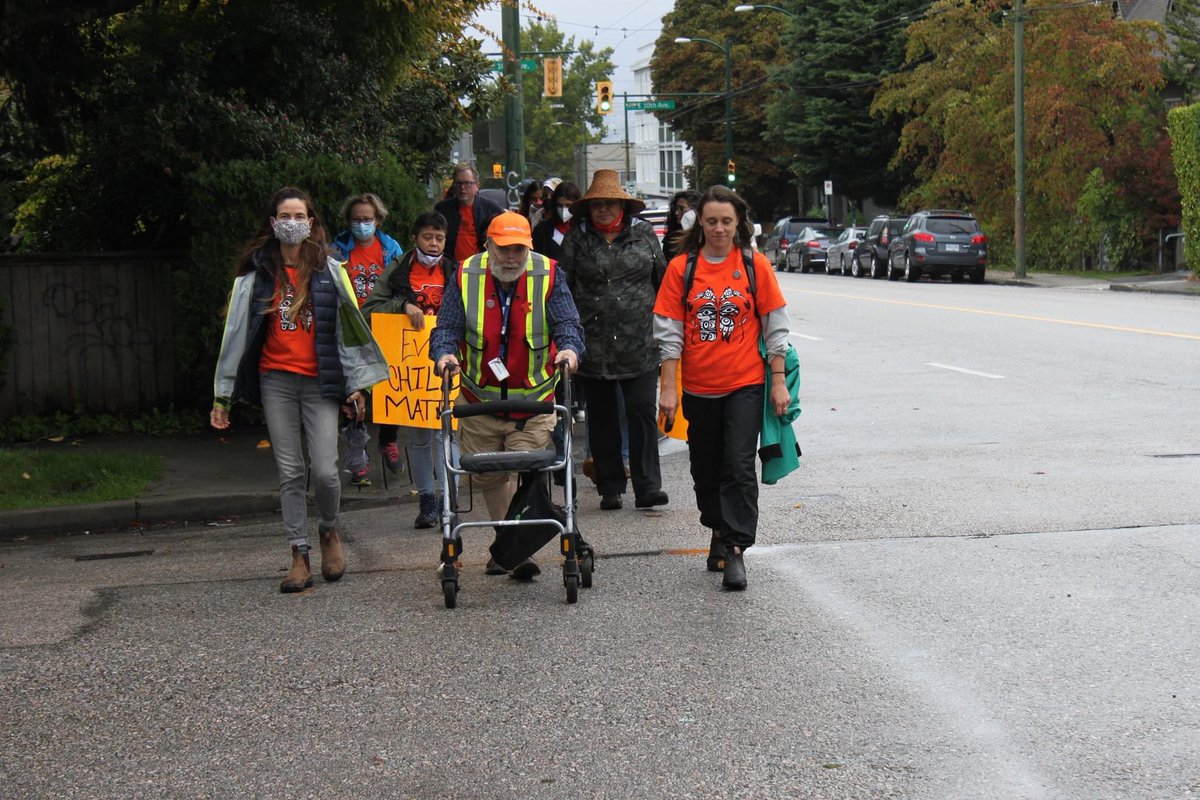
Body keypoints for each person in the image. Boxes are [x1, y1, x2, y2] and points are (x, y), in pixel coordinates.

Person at [211, 187, 388, 594]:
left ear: (311, 223)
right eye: (284, 216)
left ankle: (329, 531)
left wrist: (357, 385)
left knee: (326, 472)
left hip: (320, 382)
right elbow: (234, 335)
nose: (292, 223)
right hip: (276, 381)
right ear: (273, 224)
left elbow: (350, 332)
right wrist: (222, 395)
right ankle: (298, 554)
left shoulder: (330, 270)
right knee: (291, 472)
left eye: (299, 216)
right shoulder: (256, 276)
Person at [431, 211, 585, 578]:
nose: (512, 257)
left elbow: (567, 322)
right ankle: (511, 546)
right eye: (504, 249)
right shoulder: (465, 274)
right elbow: (447, 327)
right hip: (477, 399)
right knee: (489, 476)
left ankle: (514, 549)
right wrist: (444, 354)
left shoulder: (548, 273)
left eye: (520, 249)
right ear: (488, 247)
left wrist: (570, 350)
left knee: (525, 465)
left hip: (533, 398)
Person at [653, 185, 791, 591]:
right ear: (701, 223)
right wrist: (668, 388)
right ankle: (716, 527)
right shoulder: (683, 268)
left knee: (739, 465)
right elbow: (669, 332)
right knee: (706, 469)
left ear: (738, 223)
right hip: (699, 387)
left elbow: (775, 324)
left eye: (726, 221)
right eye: (711, 221)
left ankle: (735, 549)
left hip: (745, 383)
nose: (718, 228)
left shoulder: (754, 265)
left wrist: (778, 381)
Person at [559, 169, 668, 512]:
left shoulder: (645, 235)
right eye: (597, 205)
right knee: (602, 416)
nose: (604, 209)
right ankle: (609, 485)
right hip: (594, 342)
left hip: (640, 341)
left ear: (623, 206)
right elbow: (562, 287)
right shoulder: (577, 240)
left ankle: (648, 485)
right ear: (588, 209)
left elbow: (662, 279)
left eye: (610, 203)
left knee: (640, 411)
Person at [362, 211, 460, 529]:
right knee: (418, 437)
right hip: (411, 368)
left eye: (439, 238)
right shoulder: (399, 270)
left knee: (448, 433)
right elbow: (371, 308)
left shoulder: (455, 272)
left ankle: (449, 498)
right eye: (427, 237)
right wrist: (402, 306)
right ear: (415, 239)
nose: (433, 243)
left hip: (448, 360)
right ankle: (427, 501)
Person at [330, 192, 405, 485]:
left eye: (368, 219)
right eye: (357, 219)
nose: (362, 224)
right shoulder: (337, 249)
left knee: (390, 387)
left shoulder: (391, 248)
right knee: (353, 391)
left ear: (378, 219)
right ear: (349, 221)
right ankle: (357, 452)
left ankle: (388, 440)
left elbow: (401, 285)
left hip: (383, 325)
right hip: (350, 328)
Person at [434, 164, 504, 264]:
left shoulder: (492, 210)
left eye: (467, 183)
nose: (462, 188)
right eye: (458, 183)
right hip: (450, 267)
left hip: (482, 266)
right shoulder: (442, 210)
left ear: (477, 186)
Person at [531, 181, 581, 262]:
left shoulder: (586, 228)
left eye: (568, 205)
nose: (564, 210)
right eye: (560, 205)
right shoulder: (542, 230)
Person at [663, 189, 700, 262]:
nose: (677, 212)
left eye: (681, 208)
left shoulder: (705, 235)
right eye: (676, 208)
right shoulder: (671, 238)